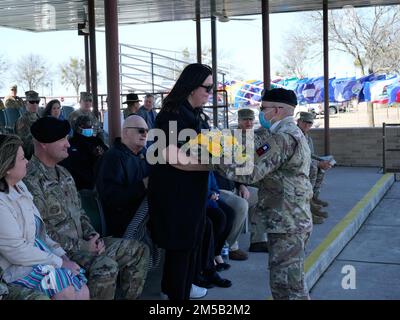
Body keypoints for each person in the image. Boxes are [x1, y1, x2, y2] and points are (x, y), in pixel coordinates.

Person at [23, 116, 150, 300]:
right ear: (43, 143)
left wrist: (93, 237)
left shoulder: (64, 174)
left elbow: (80, 213)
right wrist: (84, 246)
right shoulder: (30, 180)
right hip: (60, 254)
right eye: (62, 139)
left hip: (86, 245)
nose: (68, 144)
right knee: (106, 267)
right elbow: (40, 233)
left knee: (139, 251)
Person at [215, 88, 313, 300]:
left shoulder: (282, 139)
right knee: (288, 282)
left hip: (287, 221)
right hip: (292, 218)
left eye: (263, 108)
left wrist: (214, 157)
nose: (260, 113)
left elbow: (250, 171)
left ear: (277, 110)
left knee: (288, 287)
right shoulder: (292, 134)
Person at [147, 63, 213, 300]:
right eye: (207, 87)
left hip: (191, 193)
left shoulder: (193, 113)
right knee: (180, 250)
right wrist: (216, 165)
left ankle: (178, 292)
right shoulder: (172, 115)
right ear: (192, 86)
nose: (210, 92)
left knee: (189, 247)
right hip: (174, 195)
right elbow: (174, 158)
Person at [0, 134, 89, 300]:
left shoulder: (19, 187)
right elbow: (17, 252)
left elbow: (39, 232)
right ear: (7, 168)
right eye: (21, 159)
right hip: (16, 268)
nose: (27, 161)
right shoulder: (1, 203)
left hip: (38, 258)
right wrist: (60, 262)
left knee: (82, 290)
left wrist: (61, 254)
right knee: (66, 292)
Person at [96, 115, 148, 237]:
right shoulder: (112, 158)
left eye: (147, 131)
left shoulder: (145, 154)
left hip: (146, 219)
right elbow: (111, 197)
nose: (145, 134)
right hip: (126, 225)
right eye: (140, 130)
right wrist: (143, 185)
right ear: (126, 132)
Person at [235, 108, 268, 252]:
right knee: (263, 196)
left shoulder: (254, 136)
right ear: (239, 121)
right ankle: (258, 240)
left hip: (255, 177)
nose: (248, 122)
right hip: (241, 181)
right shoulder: (234, 139)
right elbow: (231, 165)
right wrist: (241, 184)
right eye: (245, 120)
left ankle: (260, 239)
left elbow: (262, 152)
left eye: (250, 119)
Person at [60, 115, 108, 191]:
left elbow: (107, 155)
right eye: (85, 126)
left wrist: (100, 155)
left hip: (100, 184)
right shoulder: (71, 144)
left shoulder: (96, 141)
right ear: (78, 128)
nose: (88, 128)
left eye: (90, 126)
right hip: (80, 186)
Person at [297, 111, 331, 215]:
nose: (307, 125)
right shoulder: (295, 135)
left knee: (322, 168)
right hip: (297, 165)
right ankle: (308, 202)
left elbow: (310, 154)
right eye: (305, 122)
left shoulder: (307, 137)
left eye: (310, 123)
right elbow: (298, 156)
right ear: (298, 121)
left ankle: (313, 197)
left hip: (306, 162)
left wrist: (322, 160)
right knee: (314, 167)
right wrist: (317, 163)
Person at [14, 90, 40, 160]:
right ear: (26, 103)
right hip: (30, 158)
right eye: (31, 102)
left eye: (37, 102)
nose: (35, 104)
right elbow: (26, 145)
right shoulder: (22, 121)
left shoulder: (39, 118)